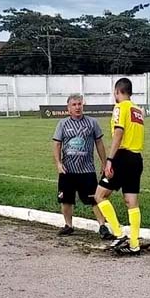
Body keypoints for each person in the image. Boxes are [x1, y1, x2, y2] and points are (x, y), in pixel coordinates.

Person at [94, 77, 145, 256]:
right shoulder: (138, 110)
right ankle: (134, 243)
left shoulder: (120, 107)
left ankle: (118, 232)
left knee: (100, 195)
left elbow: (118, 134)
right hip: (137, 158)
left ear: (117, 92)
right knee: (131, 201)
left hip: (122, 156)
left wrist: (109, 160)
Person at [53, 94, 112, 238]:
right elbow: (57, 144)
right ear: (68, 108)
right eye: (74, 105)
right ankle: (68, 225)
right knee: (66, 199)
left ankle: (102, 226)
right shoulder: (63, 124)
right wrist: (59, 163)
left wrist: (104, 163)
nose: (77, 107)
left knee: (95, 199)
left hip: (87, 169)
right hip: (68, 170)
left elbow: (99, 143)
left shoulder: (92, 123)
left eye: (79, 104)